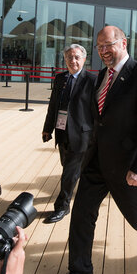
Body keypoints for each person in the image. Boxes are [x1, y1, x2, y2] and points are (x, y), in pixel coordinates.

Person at [46, 26, 137, 274]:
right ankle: (80, 270)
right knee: (82, 214)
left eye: (108, 45)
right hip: (96, 162)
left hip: (128, 166)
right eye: (99, 47)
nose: (104, 51)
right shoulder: (102, 76)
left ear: (124, 43)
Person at [41, 44, 97, 223]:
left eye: (77, 57)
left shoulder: (92, 80)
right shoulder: (60, 79)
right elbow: (54, 106)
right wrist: (47, 128)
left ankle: (62, 206)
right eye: (70, 57)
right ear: (65, 60)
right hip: (62, 131)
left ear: (84, 59)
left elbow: (97, 111)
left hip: (82, 135)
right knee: (68, 167)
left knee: (69, 172)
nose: (73, 61)